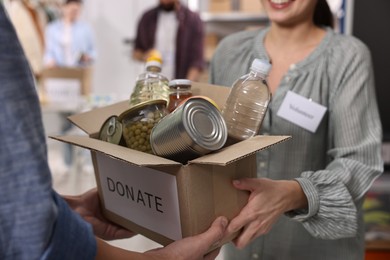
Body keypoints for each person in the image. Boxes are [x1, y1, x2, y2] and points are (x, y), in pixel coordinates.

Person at [0, 3, 227, 260]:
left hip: (177, 90)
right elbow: (29, 230)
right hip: (156, 91)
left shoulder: (193, 21)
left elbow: (20, 210)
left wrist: (66, 208)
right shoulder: (147, 18)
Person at [209, 0, 383, 259]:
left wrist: (294, 194)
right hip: (240, 251)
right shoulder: (229, 52)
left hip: (315, 250)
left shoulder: (347, 57)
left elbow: (358, 161)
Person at [133, 0, 205, 81]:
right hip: (152, 83)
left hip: (179, 83)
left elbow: (197, 61)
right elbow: (136, 52)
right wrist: (145, 56)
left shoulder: (192, 19)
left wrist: (186, 86)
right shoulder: (147, 18)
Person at [44, 0, 96, 67]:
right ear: (64, 7)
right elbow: (48, 53)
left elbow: (93, 52)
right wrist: (50, 61)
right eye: (71, 5)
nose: (75, 8)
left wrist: (87, 57)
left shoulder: (86, 29)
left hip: (79, 71)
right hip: (58, 71)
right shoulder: (52, 29)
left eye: (78, 5)